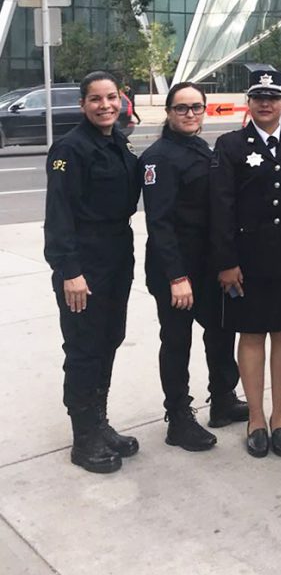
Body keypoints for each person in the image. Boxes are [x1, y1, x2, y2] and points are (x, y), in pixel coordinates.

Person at [140, 82, 248, 453]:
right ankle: (178, 418)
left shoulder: (201, 148)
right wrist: (176, 277)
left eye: (196, 107)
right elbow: (160, 223)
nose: (190, 114)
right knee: (176, 341)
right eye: (182, 108)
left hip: (208, 266)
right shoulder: (159, 157)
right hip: (177, 271)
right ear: (168, 112)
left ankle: (222, 399)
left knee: (220, 333)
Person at [210, 69, 281, 459]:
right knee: (251, 336)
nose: (266, 103)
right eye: (258, 96)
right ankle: (255, 417)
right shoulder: (230, 145)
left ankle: (280, 417)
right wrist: (226, 261)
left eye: (273, 96)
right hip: (245, 264)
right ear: (248, 102)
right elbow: (220, 207)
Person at [43, 70, 140, 473]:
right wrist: (70, 271)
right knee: (83, 349)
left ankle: (100, 422)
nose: (105, 106)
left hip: (117, 259)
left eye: (111, 97)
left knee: (109, 340)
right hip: (83, 265)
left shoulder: (116, 142)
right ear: (82, 104)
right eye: (96, 99)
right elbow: (59, 217)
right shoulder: (70, 149)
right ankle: (84, 438)